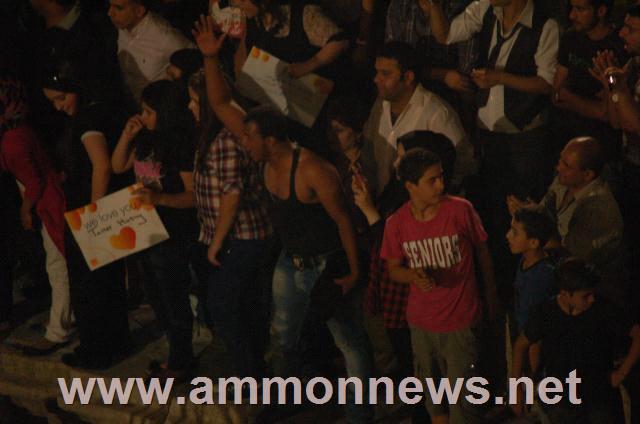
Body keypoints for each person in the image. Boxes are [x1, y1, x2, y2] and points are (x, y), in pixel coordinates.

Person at [194, 16, 373, 422]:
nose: (244, 143)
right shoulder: (264, 155)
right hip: (290, 262)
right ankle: (288, 399)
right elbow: (220, 104)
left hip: (327, 263)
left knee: (349, 341)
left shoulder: (313, 171)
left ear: (270, 140)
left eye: (249, 138)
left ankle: (360, 415)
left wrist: (353, 271)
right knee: (283, 337)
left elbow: (344, 221)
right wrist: (210, 58)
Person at [381, 148, 497, 424]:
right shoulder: (397, 223)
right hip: (422, 325)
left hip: (461, 323)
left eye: (441, 177)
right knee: (435, 405)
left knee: (464, 406)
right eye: (432, 180)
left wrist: (491, 296)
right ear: (411, 186)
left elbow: (483, 253)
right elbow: (393, 269)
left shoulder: (460, 210)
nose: (441, 185)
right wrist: (414, 276)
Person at [42, 55, 130, 369]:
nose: (58, 107)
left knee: (89, 285)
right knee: (110, 281)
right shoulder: (105, 109)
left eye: (61, 98)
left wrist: (94, 213)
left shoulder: (88, 120)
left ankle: (97, 350)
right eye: (53, 102)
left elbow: (101, 166)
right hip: (106, 206)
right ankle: (117, 343)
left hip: (91, 208)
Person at [188, 69, 272, 378]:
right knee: (242, 305)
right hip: (235, 237)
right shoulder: (213, 137)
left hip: (243, 237)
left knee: (223, 306)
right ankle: (251, 370)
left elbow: (231, 194)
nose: (190, 107)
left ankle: (250, 373)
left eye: (194, 101)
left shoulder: (225, 140)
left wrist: (217, 241)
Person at [111, 80, 198, 380]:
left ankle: (181, 361)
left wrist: (159, 199)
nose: (142, 116)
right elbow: (118, 165)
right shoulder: (145, 139)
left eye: (149, 111)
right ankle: (176, 357)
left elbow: (193, 195)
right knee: (155, 295)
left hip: (171, 231)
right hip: (143, 228)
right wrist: (127, 135)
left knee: (172, 297)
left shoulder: (180, 144)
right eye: (142, 110)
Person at [511, 257, 640, 423]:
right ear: (565, 294)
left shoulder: (603, 309)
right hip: (562, 402)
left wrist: (621, 374)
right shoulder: (546, 313)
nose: (592, 299)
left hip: (600, 400)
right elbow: (521, 345)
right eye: (585, 296)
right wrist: (516, 391)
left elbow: (637, 334)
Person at [0, 77, 74, 355]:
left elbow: (34, 182)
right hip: (50, 201)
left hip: (49, 204)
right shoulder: (21, 131)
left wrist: (25, 210)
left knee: (57, 266)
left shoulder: (13, 139)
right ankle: (66, 316)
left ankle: (58, 330)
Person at [507, 136, 625, 306]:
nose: (558, 167)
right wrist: (528, 212)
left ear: (587, 174)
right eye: (560, 160)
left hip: (582, 291)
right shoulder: (563, 181)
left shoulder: (598, 209)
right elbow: (544, 214)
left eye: (567, 166)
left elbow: (573, 258)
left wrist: (530, 227)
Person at [363, 41, 472, 193]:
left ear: (408, 77)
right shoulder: (380, 105)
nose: (376, 79)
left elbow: (462, 165)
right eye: (377, 72)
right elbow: (368, 153)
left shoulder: (437, 114)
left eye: (385, 74)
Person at [552, 0, 627, 161]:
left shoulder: (619, 47)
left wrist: (571, 98)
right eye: (572, 8)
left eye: (580, 9)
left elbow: (609, 112)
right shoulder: (571, 38)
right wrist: (593, 105)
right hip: (565, 136)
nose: (572, 15)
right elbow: (556, 94)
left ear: (601, 11)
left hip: (601, 145)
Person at [231, 0, 350, 79]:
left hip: (311, 95)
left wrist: (309, 65)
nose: (236, 4)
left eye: (242, 1)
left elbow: (340, 41)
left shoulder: (302, 13)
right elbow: (241, 65)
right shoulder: (255, 20)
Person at [108, 0, 193, 103]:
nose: (110, 13)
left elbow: (194, 58)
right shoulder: (124, 24)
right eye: (110, 5)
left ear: (139, 11)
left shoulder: (165, 37)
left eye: (119, 8)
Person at [506, 205, 556, 333]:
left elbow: (536, 324)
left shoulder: (541, 276)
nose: (508, 235)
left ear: (533, 242)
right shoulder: (525, 260)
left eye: (515, 232)